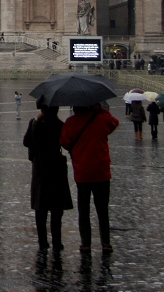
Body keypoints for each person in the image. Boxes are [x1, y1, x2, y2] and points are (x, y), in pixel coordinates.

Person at [60, 104, 119, 253]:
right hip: (101, 171)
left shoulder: (71, 122)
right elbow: (114, 122)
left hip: (82, 172)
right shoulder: (102, 118)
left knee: (83, 209)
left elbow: (64, 142)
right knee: (102, 209)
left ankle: (85, 243)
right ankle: (106, 242)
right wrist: (100, 109)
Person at [23, 100, 73, 252]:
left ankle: (42, 241)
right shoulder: (60, 125)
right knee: (56, 209)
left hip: (40, 168)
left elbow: (26, 142)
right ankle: (57, 242)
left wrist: (36, 122)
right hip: (56, 167)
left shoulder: (35, 123)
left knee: (41, 207)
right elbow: (66, 144)